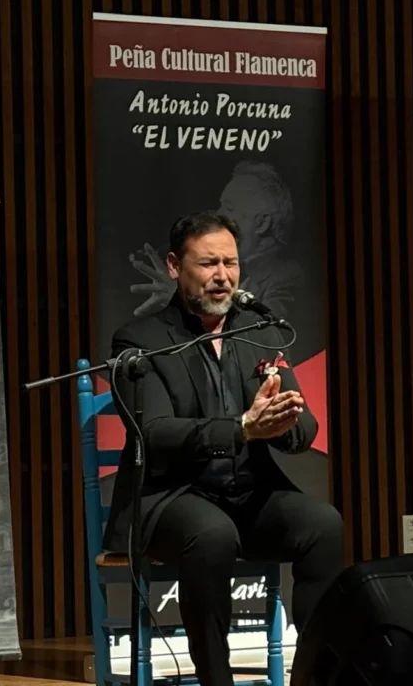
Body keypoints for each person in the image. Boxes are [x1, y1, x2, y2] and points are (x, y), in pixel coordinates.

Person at [104, 211, 344, 686]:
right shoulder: (140, 340)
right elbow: (154, 434)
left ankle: (315, 675)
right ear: (175, 266)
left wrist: (286, 421)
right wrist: (241, 428)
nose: (223, 277)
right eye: (208, 263)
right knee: (212, 534)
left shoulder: (260, 330)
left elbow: (303, 430)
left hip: (246, 495)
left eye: (231, 263)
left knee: (323, 524)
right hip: (170, 498)